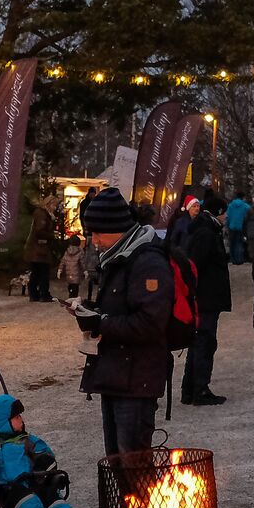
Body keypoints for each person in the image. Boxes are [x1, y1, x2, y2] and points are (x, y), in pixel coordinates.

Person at [74, 187, 173, 457]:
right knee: (117, 461)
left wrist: (99, 322)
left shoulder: (147, 261)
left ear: (117, 228)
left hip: (137, 378)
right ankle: (123, 501)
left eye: (97, 233)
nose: (93, 241)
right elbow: (121, 308)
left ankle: (139, 501)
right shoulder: (118, 258)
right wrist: (90, 312)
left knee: (133, 463)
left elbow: (151, 323)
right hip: (116, 374)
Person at [180, 198, 231, 406]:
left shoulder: (205, 230)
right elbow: (195, 266)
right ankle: (199, 388)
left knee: (199, 342)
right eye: (224, 212)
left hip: (204, 297)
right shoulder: (207, 234)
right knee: (205, 342)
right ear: (217, 212)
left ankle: (190, 388)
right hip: (206, 298)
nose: (226, 216)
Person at [24, 195, 57, 302]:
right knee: (42, 272)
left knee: (37, 272)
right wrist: (51, 236)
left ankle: (35, 294)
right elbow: (40, 231)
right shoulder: (42, 215)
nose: (55, 208)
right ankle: (43, 294)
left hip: (37, 249)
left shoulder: (42, 214)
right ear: (48, 204)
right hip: (39, 249)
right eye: (54, 205)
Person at [225, 191, 251, 266]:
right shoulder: (245, 206)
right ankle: (240, 259)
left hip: (232, 227)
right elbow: (249, 215)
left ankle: (233, 260)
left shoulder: (230, 205)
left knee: (232, 244)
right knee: (239, 243)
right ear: (243, 197)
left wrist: (227, 226)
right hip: (241, 227)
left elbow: (228, 217)